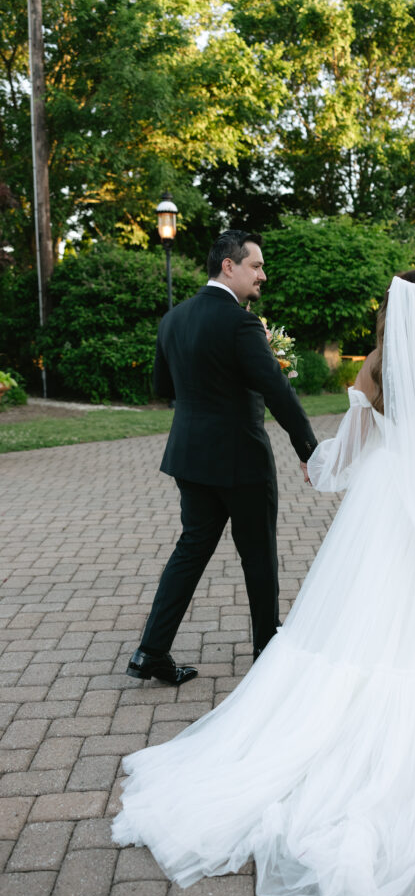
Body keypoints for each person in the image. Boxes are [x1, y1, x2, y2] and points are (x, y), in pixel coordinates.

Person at [113, 269, 415, 896]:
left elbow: (357, 441)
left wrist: (322, 462)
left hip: (381, 497)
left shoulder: (374, 365)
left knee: (363, 604)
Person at [125, 230, 318, 686]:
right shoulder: (241, 323)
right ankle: (267, 650)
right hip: (241, 460)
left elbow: (163, 389)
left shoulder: (173, 319)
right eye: (255, 266)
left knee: (190, 550)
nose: (262, 275)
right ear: (228, 266)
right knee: (258, 555)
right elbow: (276, 389)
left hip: (190, 457)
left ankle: (149, 651)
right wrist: (308, 448)